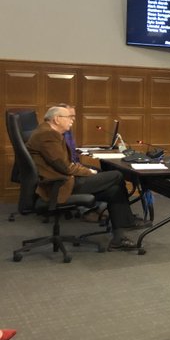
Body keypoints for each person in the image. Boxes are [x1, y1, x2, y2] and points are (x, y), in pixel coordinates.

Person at [25, 106, 149, 250]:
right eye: (69, 117)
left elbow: (64, 164)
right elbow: (65, 167)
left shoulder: (47, 132)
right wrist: (91, 172)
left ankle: (119, 238)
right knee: (116, 175)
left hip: (62, 180)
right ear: (57, 119)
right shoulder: (48, 135)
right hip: (59, 185)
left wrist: (89, 171)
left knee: (114, 189)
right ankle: (127, 221)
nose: (72, 120)